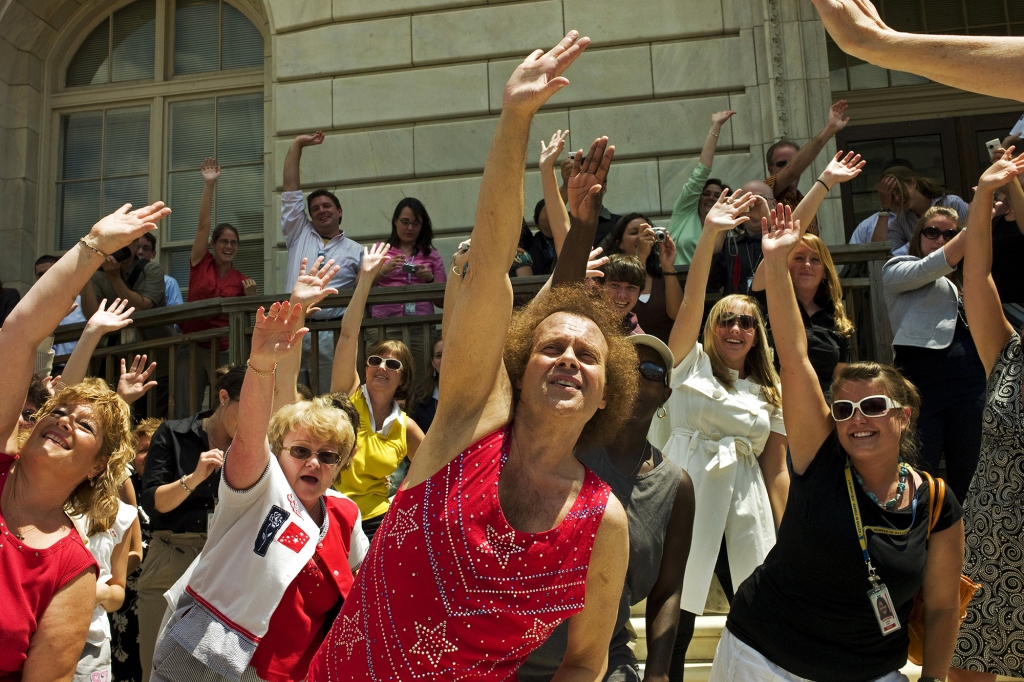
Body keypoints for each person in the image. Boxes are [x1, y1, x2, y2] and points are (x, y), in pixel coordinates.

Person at [309, 33, 634, 681]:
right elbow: (489, 268)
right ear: (520, 364)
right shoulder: (464, 423)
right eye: (552, 346)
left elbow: (586, 663)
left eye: (588, 356)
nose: (569, 358)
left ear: (607, 393)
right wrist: (514, 122)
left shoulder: (606, 522)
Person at [710, 203, 965, 682]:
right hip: (763, 660)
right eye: (844, 410)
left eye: (872, 407)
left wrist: (932, 681)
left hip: (872, 673)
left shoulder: (934, 502)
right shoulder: (821, 456)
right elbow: (793, 355)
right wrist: (780, 262)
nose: (856, 420)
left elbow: (943, 608)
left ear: (903, 418)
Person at [151, 300, 367, 682]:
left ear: (343, 462)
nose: (313, 463)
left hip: (295, 672)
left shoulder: (345, 513)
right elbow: (250, 438)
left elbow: (363, 586)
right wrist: (262, 366)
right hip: (210, 656)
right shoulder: (259, 486)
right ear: (279, 451)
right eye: (300, 451)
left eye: (328, 455)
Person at [0, 201, 169, 681]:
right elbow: (17, 334)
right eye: (58, 411)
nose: (65, 421)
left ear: (97, 466)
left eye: (86, 426)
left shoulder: (72, 569)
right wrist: (92, 248)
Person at [660, 190, 789, 680]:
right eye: (727, 320)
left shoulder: (769, 387)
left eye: (747, 322)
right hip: (688, 492)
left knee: (758, 616)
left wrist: (788, 527)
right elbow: (691, 303)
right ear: (712, 328)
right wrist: (711, 233)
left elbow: (776, 467)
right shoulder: (689, 365)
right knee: (674, 621)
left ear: (757, 334)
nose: (736, 328)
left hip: (744, 499)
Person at [517, 334, 695, 681]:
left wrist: (658, 672)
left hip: (603, 658)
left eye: (651, 371)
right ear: (607, 388)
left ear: (666, 395)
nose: (638, 378)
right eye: (627, 369)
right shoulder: (565, 446)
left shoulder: (676, 487)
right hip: (515, 652)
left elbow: (668, 589)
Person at [948, 149, 1024, 682]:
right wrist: (982, 196)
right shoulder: (1009, 352)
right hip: (993, 539)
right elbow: (976, 275)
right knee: (967, 669)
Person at [135, 364, 245, 680]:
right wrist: (195, 478)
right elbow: (154, 503)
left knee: (216, 670)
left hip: (224, 563)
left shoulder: (253, 445)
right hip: (171, 555)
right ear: (223, 397)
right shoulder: (173, 432)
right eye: (246, 406)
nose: (254, 416)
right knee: (157, 667)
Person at [882, 206, 985, 503]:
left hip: (970, 383)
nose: (940, 239)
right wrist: (977, 220)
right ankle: (920, 546)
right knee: (919, 474)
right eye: (932, 232)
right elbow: (932, 267)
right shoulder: (897, 267)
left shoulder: (969, 279)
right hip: (920, 383)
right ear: (918, 236)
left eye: (949, 233)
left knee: (971, 473)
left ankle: (970, 546)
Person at [330, 243, 425, 542]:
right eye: (375, 360)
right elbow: (348, 334)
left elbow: (432, 473)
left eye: (392, 363)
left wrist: (402, 495)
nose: (381, 367)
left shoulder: (406, 426)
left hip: (379, 523)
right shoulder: (347, 396)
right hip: (332, 513)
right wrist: (366, 280)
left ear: (403, 377)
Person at [752, 150, 865, 399]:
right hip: (773, 407)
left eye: (815, 260)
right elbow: (791, 234)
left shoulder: (837, 321)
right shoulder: (767, 299)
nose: (807, 265)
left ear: (825, 271)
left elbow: (841, 380)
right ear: (786, 266)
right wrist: (825, 182)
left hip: (823, 411)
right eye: (799, 258)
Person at [281, 131, 364, 392]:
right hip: (292, 329)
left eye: (327, 205)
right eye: (315, 208)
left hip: (331, 334)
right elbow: (290, 191)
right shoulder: (299, 232)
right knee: (289, 398)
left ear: (339, 212)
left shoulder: (357, 251)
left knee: (330, 397)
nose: (320, 210)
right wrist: (297, 145)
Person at [111, 418, 162, 682]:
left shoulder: (177, 493)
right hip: (124, 598)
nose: (149, 456)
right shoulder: (120, 488)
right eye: (142, 450)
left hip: (161, 596)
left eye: (157, 449)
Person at [76, 475, 139, 682]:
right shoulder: (44, 500)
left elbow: (117, 592)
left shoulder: (121, 514)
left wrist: (100, 592)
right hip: (34, 635)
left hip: (90, 642)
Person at [762, 99, 850, 236]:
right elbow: (792, 170)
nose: (789, 167)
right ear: (770, 170)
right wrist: (830, 129)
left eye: (795, 161)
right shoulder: (766, 193)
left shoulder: (804, 201)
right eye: (781, 164)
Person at [666, 109, 735, 265]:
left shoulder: (722, 226)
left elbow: (714, 255)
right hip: (675, 282)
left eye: (717, 196)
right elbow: (701, 172)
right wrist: (716, 126)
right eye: (706, 193)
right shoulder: (685, 213)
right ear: (698, 197)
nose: (711, 198)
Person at [604, 214, 682, 342]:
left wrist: (668, 267)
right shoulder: (608, 278)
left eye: (647, 233)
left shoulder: (661, 277)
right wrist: (641, 257)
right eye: (634, 233)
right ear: (620, 243)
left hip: (665, 352)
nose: (641, 238)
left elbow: (678, 316)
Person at [877, 166, 970, 255]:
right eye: (891, 197)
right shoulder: (901, 219)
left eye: (899, 190)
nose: (897, 198)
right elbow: (880, 252)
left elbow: (975, 235)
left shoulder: (953, 203)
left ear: (913, 183)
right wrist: (885, 207)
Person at [707, 181, 776, 295]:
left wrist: (769, 221)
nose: (752, 206)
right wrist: (722, 225)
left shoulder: (782, 239)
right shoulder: (730, 246)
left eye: (758, 200)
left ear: (773, 204)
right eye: (746, 202)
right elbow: (711, 284)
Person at [597, 254, 648, 335]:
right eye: (615, 285)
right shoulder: (579, 321)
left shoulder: (640, 341)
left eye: (631, 287)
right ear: (600, 287)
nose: (622, 295)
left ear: (640, 293)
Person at [137, 232, 185, 308]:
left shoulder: (169, 283)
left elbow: (177, 314)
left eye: (145, 248)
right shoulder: (121, 276)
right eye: (137, 247)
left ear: (153, 254)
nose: (140, 252)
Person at [408, 334, 442, 433]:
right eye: (439, 355)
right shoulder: (418, 397)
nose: (445, 359)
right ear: (432, 362)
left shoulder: (471, 394)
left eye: (449, 353)